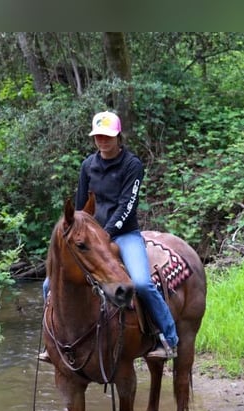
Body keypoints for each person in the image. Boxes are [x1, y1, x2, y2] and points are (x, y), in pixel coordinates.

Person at [40, 111, 178, 362]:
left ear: (118, 136)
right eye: (99, 136)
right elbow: (81, 205)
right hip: (92, 238)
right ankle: (55, 341)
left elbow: (128, 203)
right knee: (49, 284)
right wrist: (80, 231)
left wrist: (107, 233)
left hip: (123, 234)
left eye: (108, 136)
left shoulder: (132, 164)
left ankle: (168, 337)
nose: (103, 141)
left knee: (142, 284)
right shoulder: (88, 166)